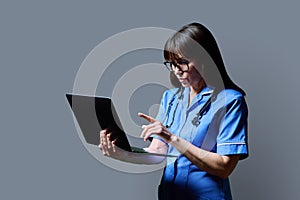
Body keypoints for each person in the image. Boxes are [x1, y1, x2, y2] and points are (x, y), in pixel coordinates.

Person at [99, 22, 249, 200]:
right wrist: (122, 153)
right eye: (172, 64)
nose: (177, 71)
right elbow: (156, 154)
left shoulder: (230, 101)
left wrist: (171, 137)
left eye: (183, 63)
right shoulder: (170, 98)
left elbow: (224, 168)